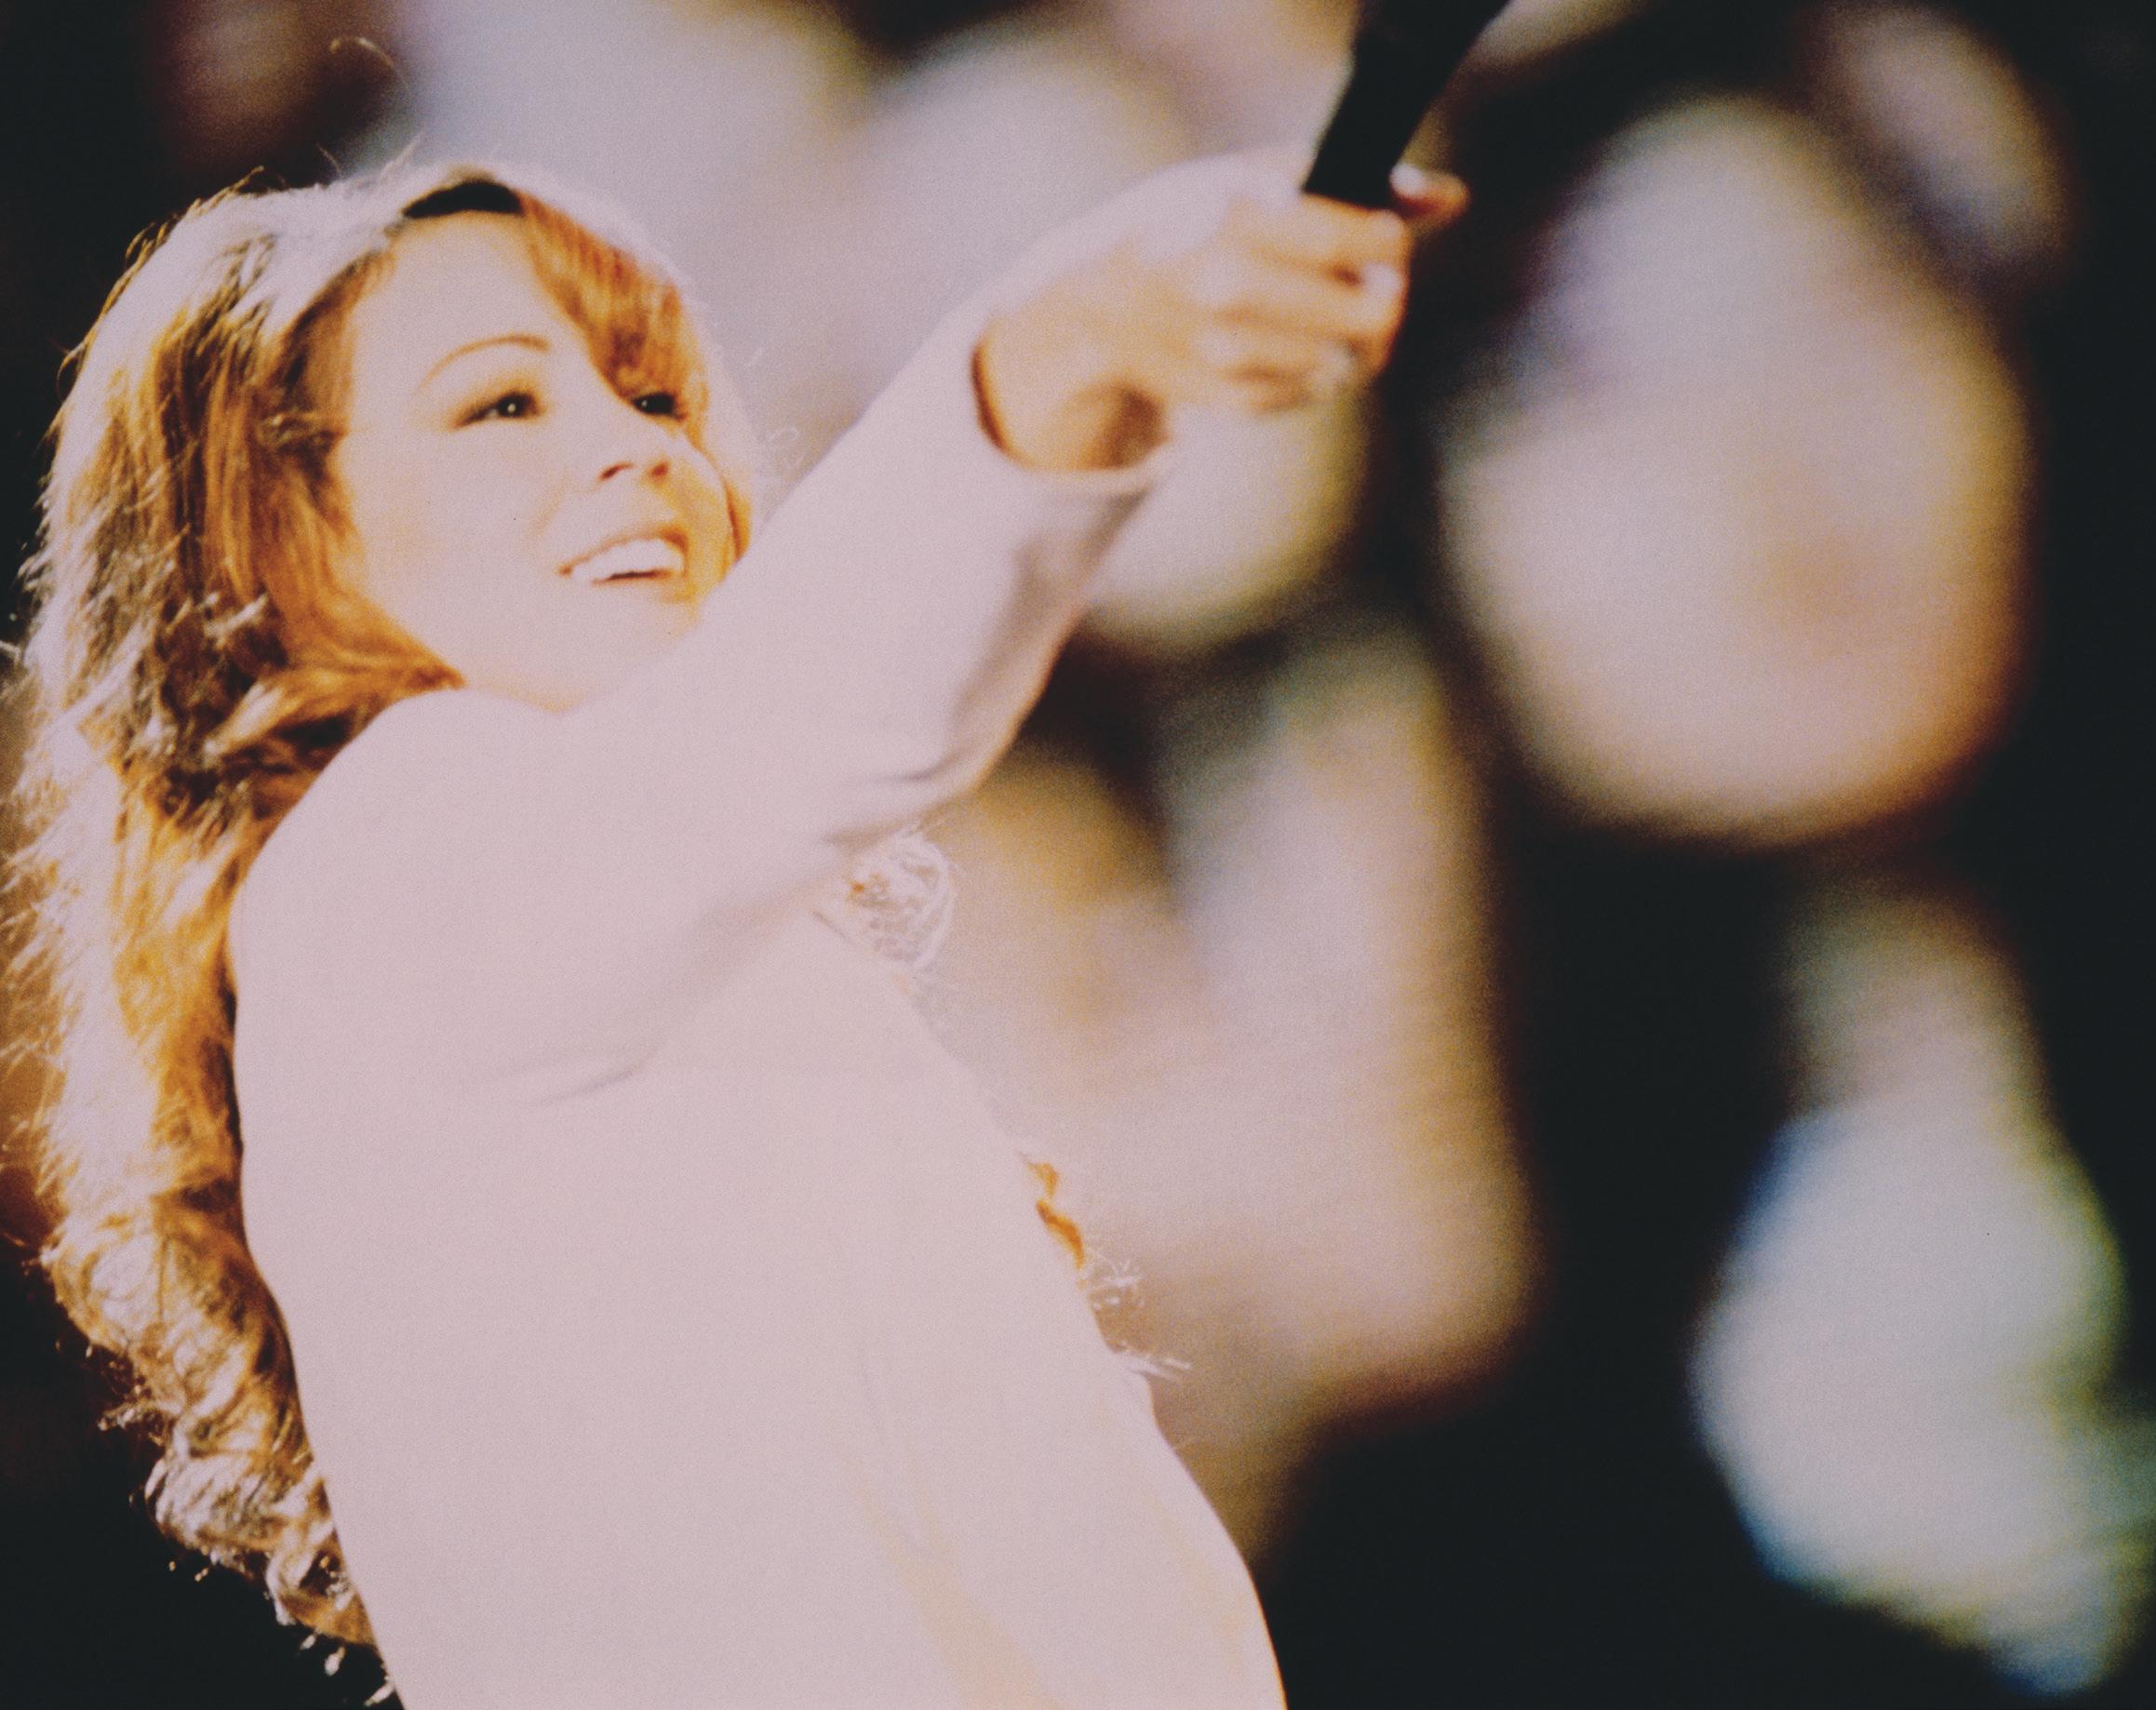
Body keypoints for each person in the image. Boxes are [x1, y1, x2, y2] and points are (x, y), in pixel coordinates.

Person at [9, 149, 1458, 1707]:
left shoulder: (590, 959)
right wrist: (1086, 334)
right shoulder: (367, 888)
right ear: (275, 545)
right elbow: (806, 718)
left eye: (653, 396)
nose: (642, 452)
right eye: (501, 404)